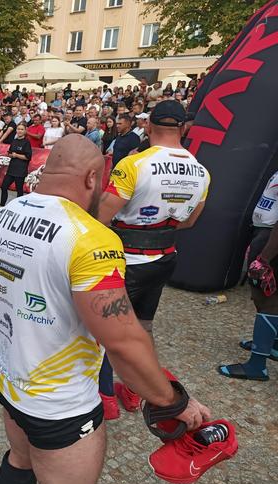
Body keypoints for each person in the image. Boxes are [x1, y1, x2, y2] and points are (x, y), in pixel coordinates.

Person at [0, 134, 210, 484]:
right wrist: (172, 402)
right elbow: (122, 340)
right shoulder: (92, 237)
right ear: (92, 178)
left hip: (7, 375)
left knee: (19, 459)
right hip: (59, 402)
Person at [96, 101, 210, 419]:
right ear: (184, 128)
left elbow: (101, 216)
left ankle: (105, 397)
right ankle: (133, 393)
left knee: (108, 331)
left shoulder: (134, 165)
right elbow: (189, 222)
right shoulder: (202, 172)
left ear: (148, 127)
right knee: (143, 326)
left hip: (127, 259)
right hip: (164, 258)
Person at [219, 172, 278, 381]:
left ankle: (257, 365)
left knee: (267, 298)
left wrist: (265, 257)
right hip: (266, 233)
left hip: (271, 237)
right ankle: (272, 343)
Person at [0, 122, 31, 207]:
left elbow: (28, 157)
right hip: (11, 169)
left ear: (25, 131)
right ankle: (1, 206)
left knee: (19, 190)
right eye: (18, 129)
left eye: (21, 129)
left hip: (20, 170)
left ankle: (18, 208)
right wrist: (9, 155)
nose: (19, 131)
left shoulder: (26, 143)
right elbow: (9, 153)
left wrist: (16, 155)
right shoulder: (14, 141)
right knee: (4, 187)